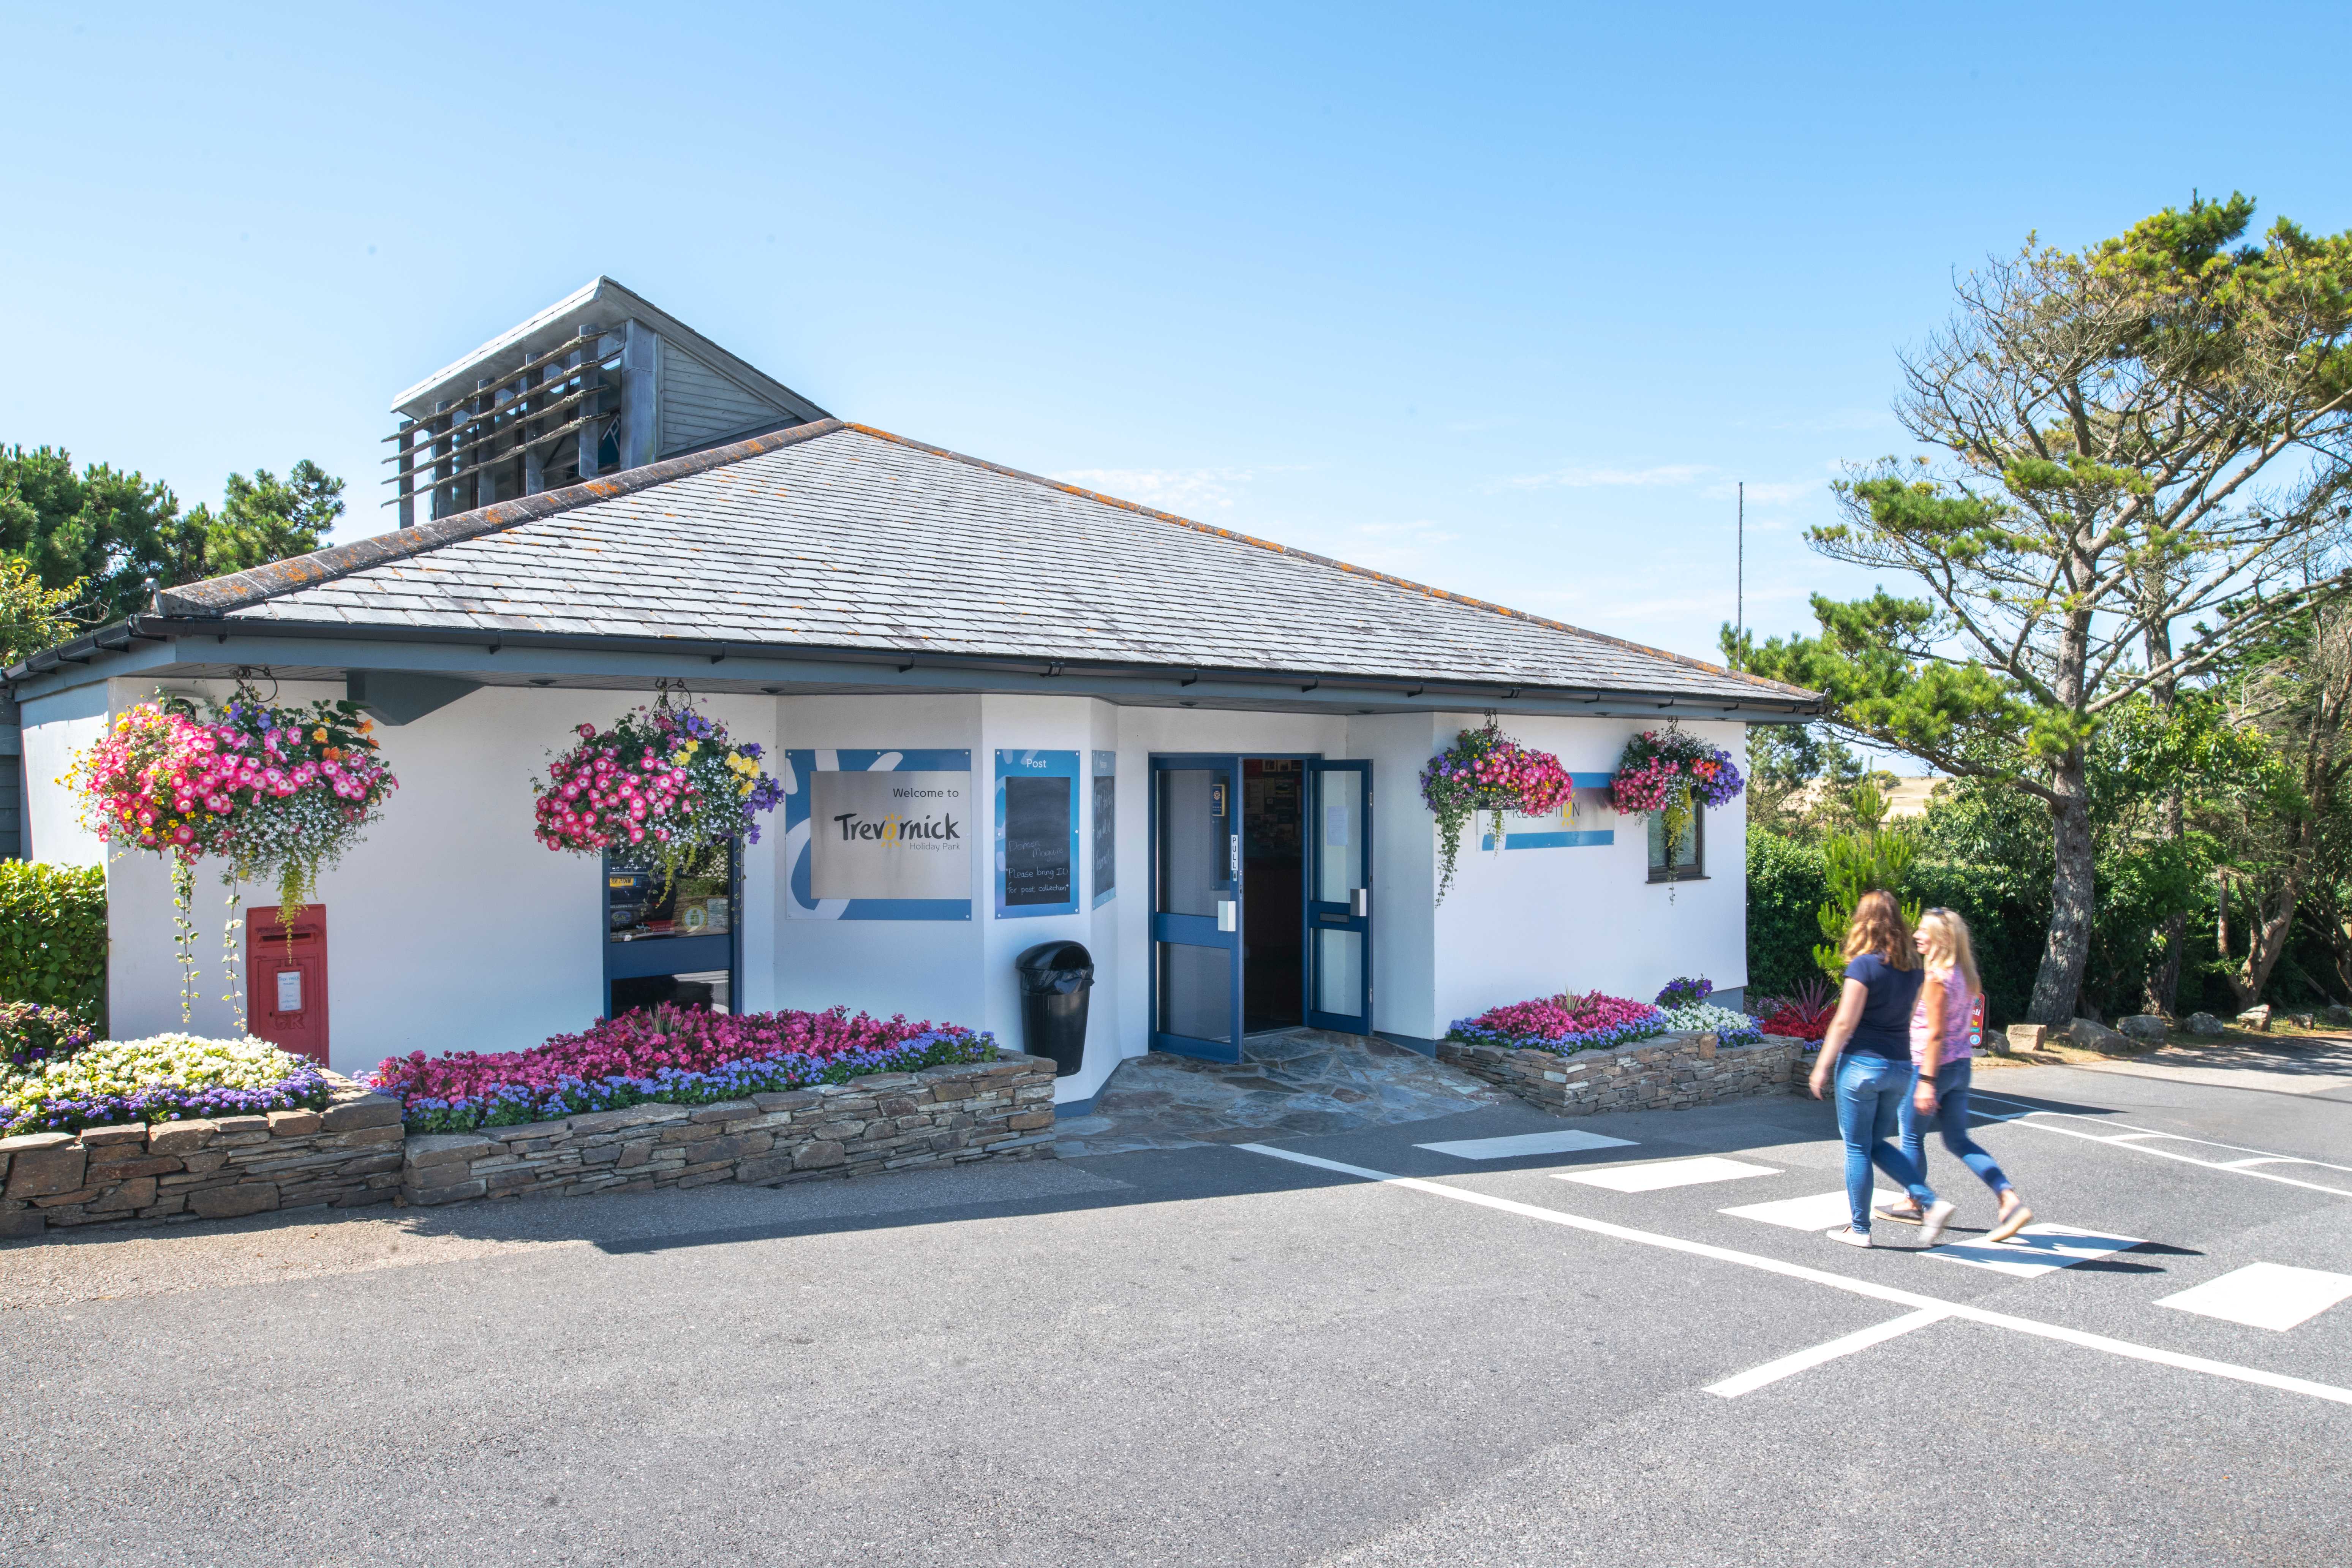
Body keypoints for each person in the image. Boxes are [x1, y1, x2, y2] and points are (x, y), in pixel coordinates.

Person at [1875, 908, 2034, 1244]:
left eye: (1924, 931)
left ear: (1942, 939)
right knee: (1958, 1140)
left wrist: (1927, 1083)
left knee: (1912, 1136)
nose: (1917, 935)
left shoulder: (1936, 979)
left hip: (1930, 1067)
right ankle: (2009, 1199)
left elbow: (1934, 1034)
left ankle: (1915, 1201)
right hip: (1961, 1067)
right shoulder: (1966, 975)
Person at [1807, 890, 1955, 1248]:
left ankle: (1860, 1229)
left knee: (1857, 1147)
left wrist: (1821, 1067)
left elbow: (1844, 1023)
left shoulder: (1863, 967)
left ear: (1865, 921)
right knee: (1876, 1142)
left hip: (1862, 1065)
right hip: (1901, 1067)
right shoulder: (1915, 970)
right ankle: (1928, 1202)